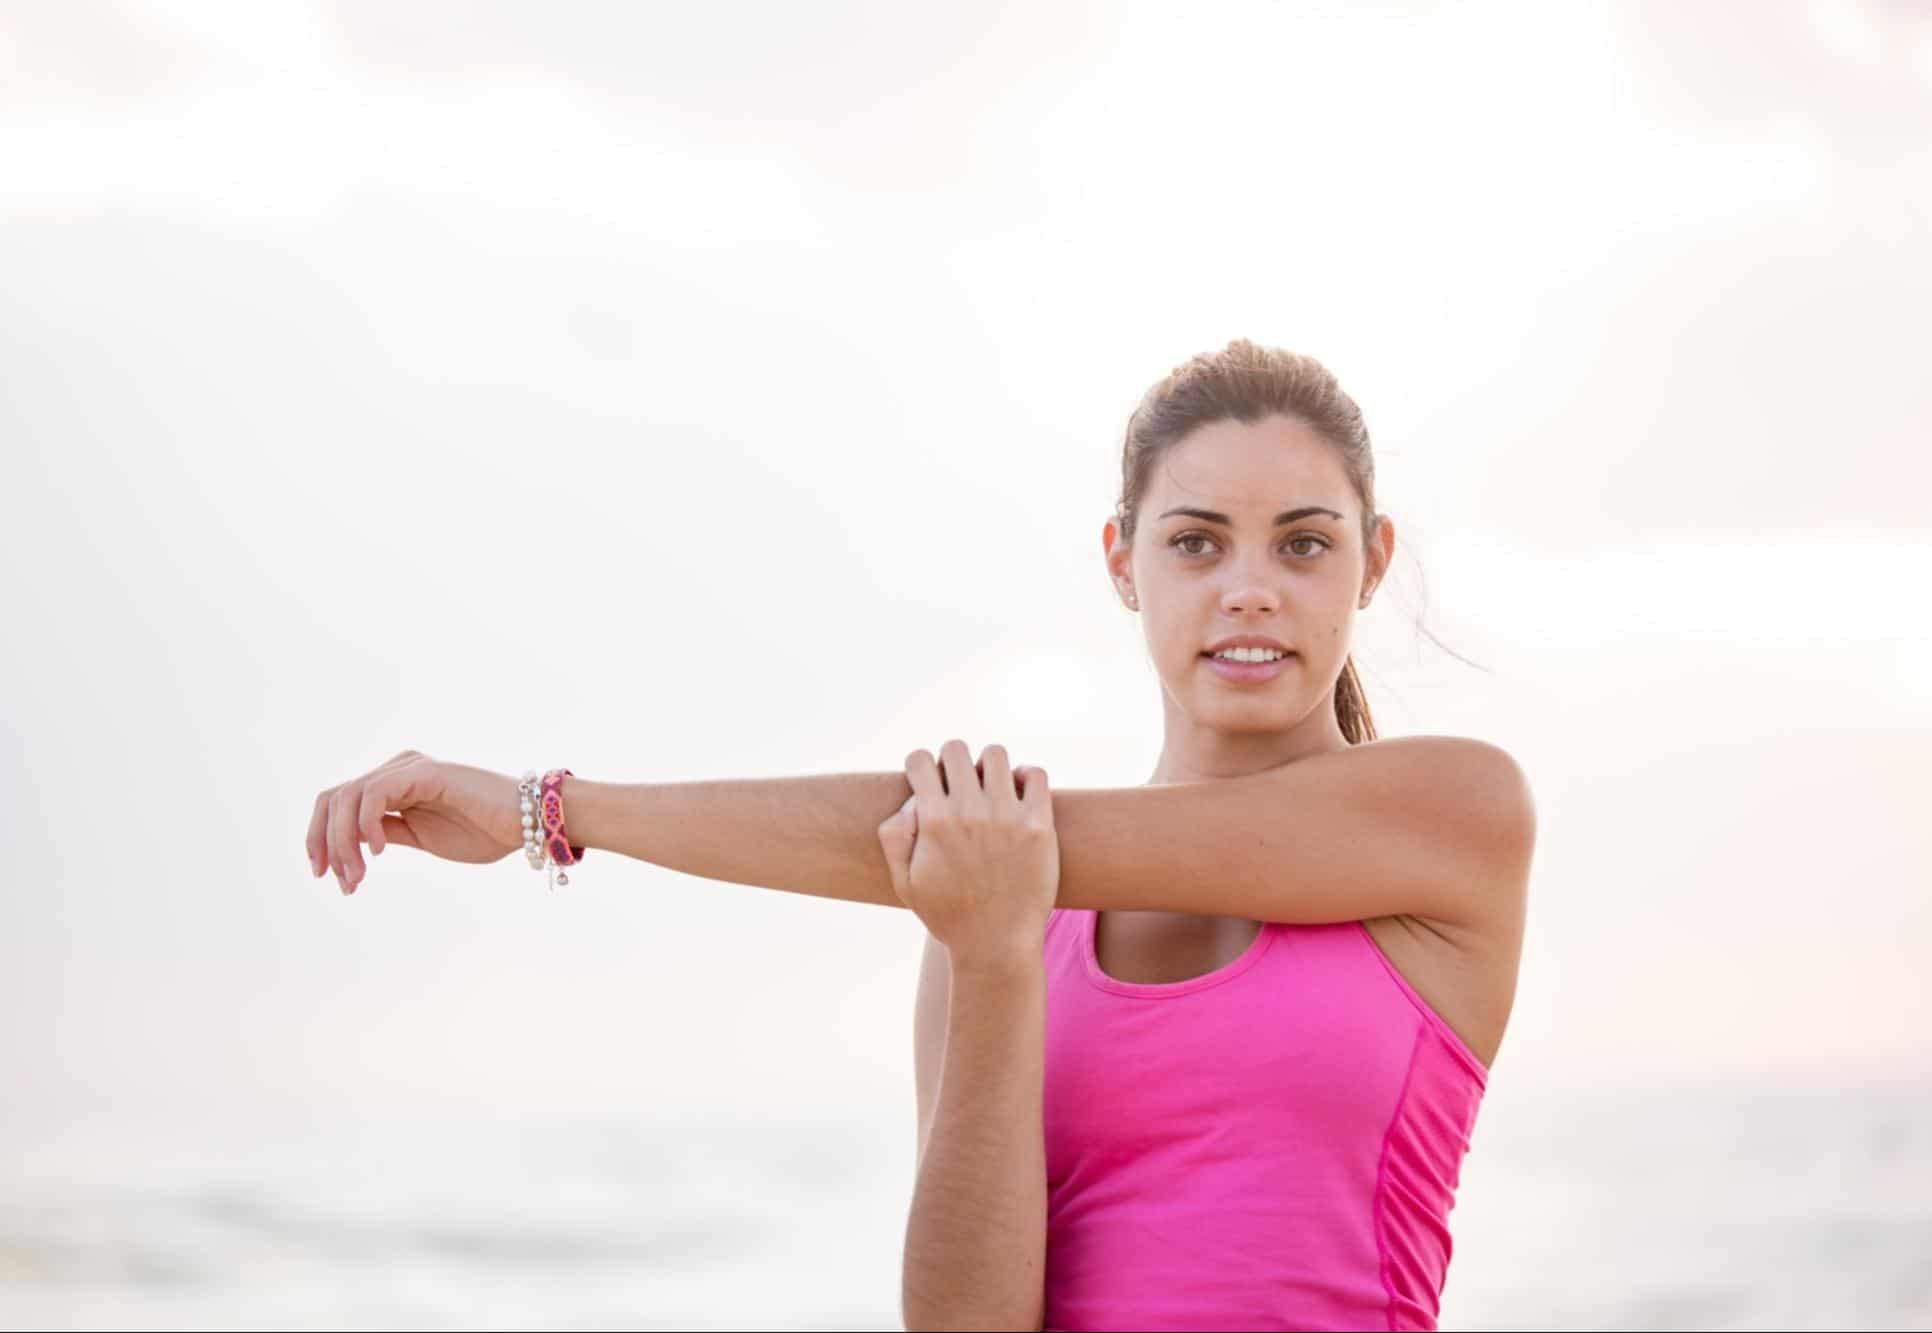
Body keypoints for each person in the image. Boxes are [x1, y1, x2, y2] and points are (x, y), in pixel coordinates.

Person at [303, 338, 1535, 1332]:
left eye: (1304, 544)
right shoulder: (991, 893)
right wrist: (994, 954)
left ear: (1371, 562)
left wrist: (549, 809)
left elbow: (920, 832)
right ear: (1123, 562)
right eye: (1196, 541)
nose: (1248, 587)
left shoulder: (1450, 817)